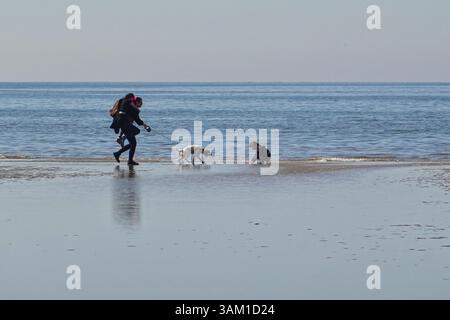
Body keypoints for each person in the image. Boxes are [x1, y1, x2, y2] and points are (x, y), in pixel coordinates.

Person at [113, 97, 150, 166]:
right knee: (137, 131)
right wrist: (145, 125)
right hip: (125, 125)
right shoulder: (134, 109)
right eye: (141, 102)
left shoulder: (130, 107)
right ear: (137, 102)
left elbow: (130, 120)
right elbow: (138, 121)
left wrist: (120, 135)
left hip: (123, 125)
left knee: (133, 144)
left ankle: (121, 155)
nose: (141, 104)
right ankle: (123, 155)